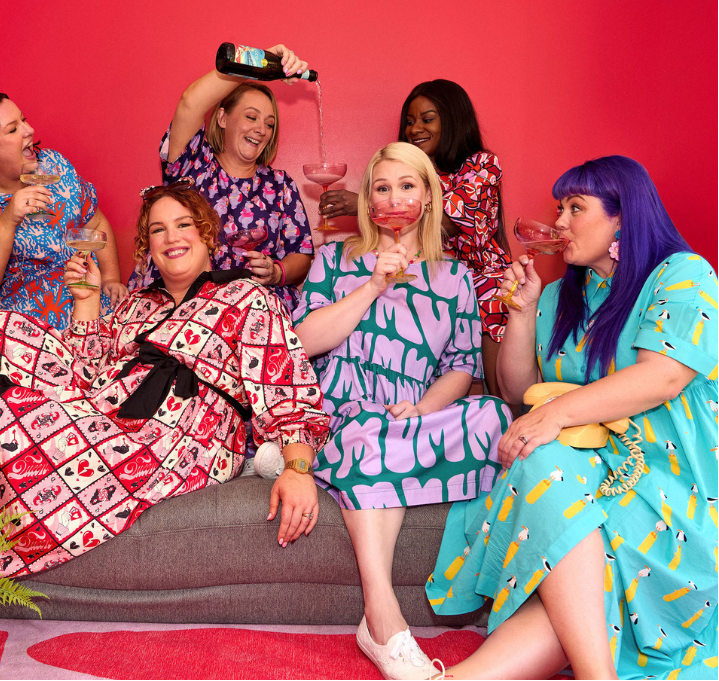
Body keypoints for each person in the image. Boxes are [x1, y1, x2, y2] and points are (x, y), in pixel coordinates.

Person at [0, 185, 329, 576]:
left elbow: (286, 389)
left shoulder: (248, 296)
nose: (171, 237)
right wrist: (88, 300)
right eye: (158, 230)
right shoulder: (135, 305)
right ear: (149, 246)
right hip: (102, 412)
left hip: (184, 434)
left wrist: (297, 468)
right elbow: (84, 373)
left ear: (207, 236)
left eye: (183, 224)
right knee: (3, 340)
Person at [426, 156, 718, 679]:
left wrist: (556, 415)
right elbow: (517, 391)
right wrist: (522, 313)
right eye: (559, 208)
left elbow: (663, 378)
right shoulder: (562, 295)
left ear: (622, 216)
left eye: (575, 208)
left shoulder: (683, 275)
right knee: (571, 556)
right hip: (585, 474)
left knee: (549, 480)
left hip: (671, 483)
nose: (559, 221)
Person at [294, 142, 511, 679]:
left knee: (495, 417)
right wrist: (373, 285)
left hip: (414, 415)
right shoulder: (334, 260)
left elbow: (461, 367)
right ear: (368, 201)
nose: (393, 198)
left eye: (407, 186)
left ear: (428, 197)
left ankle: (380, 455)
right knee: (368, 430)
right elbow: (302, 342)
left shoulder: (456, 278)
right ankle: (382, 616)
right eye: (382, 188)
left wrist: (421, 409)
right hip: (346, 410)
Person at [320, 80, 511, 397]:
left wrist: (365, 206)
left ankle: (500, 403)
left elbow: (451, 223)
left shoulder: (481, 165)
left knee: (492, 298)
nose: (415, 128)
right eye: (409, 121)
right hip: (422, 265)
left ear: (452, 120)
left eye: (427, 119)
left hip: (477, 272)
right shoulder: (411, 169)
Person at [129, 45, 315, 314]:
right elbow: (190, 102)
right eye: (251, 117)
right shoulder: (193, 167)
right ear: (222, 117)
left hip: (253, 312)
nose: (261, 129)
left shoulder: (280, 185)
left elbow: (301, 253)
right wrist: (256, 65)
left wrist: (276, 272)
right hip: (182, 308)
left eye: (269, 123)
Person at [0, 92, 128, 329]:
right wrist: (7, 220)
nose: (29, 130)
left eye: (24, 120)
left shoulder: (54, 167)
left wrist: (110, 279)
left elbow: (95, 224)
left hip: (85, 318)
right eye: (13, 129)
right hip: (13, 336)